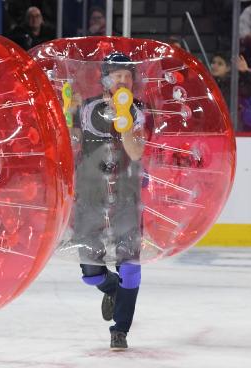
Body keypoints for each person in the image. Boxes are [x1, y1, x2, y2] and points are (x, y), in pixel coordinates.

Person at [71, 52, 148, 351]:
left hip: (127, 195)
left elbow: (137, 152)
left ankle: (121, 328)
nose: (123, 80)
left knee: (130, 266)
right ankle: (112, 289)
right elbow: (73, 143)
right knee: (91, 273)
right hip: (91, 194)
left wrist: (125, 118)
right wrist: (67, 113)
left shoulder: (139, 111)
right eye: (117, 75)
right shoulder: (88, 107)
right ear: (105, 78)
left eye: (128, 76)